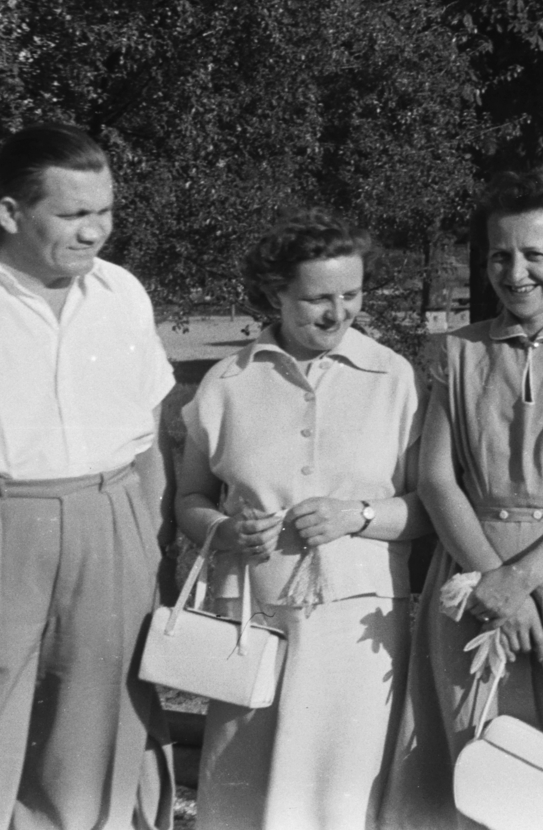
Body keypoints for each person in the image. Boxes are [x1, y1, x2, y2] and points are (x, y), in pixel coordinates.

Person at [0, 125, 176, 830]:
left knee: (90, 763)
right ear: (11, 213)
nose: (96, 233)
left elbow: (148, 442)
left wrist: (146, 550)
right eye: (74, 214)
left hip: (110, 531)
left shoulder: (122, 294)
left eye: (105, 212)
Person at [383, 171, 543, 830]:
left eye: (535, 254)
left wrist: (523, 580)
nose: (515, 270)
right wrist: (494, 585)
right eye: (500, 254)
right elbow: (438, 480)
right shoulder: (458, 353)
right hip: (471, 582)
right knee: (477, 755)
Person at [175, 209, 427, 830]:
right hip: (252, 621)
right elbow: (189, 500)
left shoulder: (393, 377)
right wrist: (222, 529)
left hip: (359, 626)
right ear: (273, 293)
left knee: (343, 793)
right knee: (248, 792)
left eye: (352, 294)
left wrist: (359, 514)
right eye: (317, 298)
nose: (339, 314)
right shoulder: (227, 382)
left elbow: (427, 508)